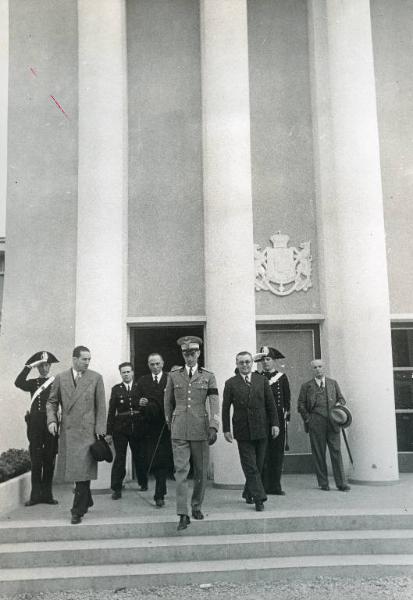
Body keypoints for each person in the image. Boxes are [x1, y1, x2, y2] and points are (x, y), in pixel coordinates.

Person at [164, 336, 219, 531]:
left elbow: (214, 401)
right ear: (182, 354)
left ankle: (196, 505)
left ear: (199, 353)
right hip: (179, 428)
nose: (189, 357)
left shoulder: (208, 376)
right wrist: (170, 420)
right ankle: (182, 513)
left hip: (201, 428)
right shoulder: (174, 375)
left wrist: (214, 425)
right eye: (186, 353)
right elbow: (167, 400)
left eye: (193, 353)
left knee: (201, 471)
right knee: (180, 472)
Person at [46, 345, 106, 524]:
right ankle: (86, 499)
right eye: (84, 359)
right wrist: (52, 421)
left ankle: (77, 510)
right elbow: (52, 402)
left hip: (87, 432)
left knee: (82, 470)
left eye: (89, 359)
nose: (87, 362)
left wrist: (100, 431)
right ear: (74, 359)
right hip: (68, 430)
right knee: (79, 471)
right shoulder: (61, 378)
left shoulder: (96, 378)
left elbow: (101, 407)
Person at [222, 351, 280, 511]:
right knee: (250, 466)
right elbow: (225, 408)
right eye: (241, 362)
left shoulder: (261, 380)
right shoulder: (231, 383)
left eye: (247, 362)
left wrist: (275, 424)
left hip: (262, 428)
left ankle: (248, 492)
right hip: (243, 430)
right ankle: (259, 498)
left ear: (252, 363)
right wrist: (226, 429)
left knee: (259, 465)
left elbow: (271, 404)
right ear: (237, 364)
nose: (245, 365)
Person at [297, 359, 350, 492]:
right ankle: (323, 483)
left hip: (333, 422)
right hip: (316, 423)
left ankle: (341, 483)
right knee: (319, 453)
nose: (318, 369)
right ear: (312, 370)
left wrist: (339, 405)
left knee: (336, 452)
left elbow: (341, 399)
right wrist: (308, 419)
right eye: (315, 367)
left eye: (320, 366)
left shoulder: (333, 383)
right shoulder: (306, 386)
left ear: (324, 368)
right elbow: (301, 405)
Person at [15, 351, 59, 506]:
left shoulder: (56, 382)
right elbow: (18, 382)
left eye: (46, 365)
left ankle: (47, 495)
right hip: (35, 423)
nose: (44, 368)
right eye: (41, 366)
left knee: (49, 458)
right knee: (36, 459)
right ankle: (35, 496)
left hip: (51, 423)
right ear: (37, 367)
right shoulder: (33, 383)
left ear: (50, 366)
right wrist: (28, 367)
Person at [106, 362, 149, 499]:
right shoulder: (116, 389)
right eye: (123, 372)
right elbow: (112, 411)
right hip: (120, 428)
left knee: (140, 455)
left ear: (132, 373)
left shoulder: (140, 387)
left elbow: (146, 407)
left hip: (137, 427)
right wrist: (108, 432)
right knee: (120, 458)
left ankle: (143, 482)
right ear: (120, 374)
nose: (126, 374)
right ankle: (117, 488)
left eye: (128, 371)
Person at [135, 353, 173, 508]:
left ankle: (160, 494)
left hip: (166, 426)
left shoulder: (170, 378)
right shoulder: (142, 381)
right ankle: (151, 487)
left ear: (163, 363)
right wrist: (140, 402)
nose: (155, 367)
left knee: (162, 460)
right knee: (150, 459)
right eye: (152, 364)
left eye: (158, 363)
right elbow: (136, 400)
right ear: (148, 365)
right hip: (148, 427)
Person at [254, 346, 291, 496]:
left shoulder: (282, 377)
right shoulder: (258, 377)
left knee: (276, 453)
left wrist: (286, 420)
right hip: (262, 420)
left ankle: (275, 486)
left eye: (268, 359)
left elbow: (286, 401)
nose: (265, 363)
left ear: (274, 361)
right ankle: (262, 485)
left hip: (278, 421)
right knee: (262, 453)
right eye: (263, 360)